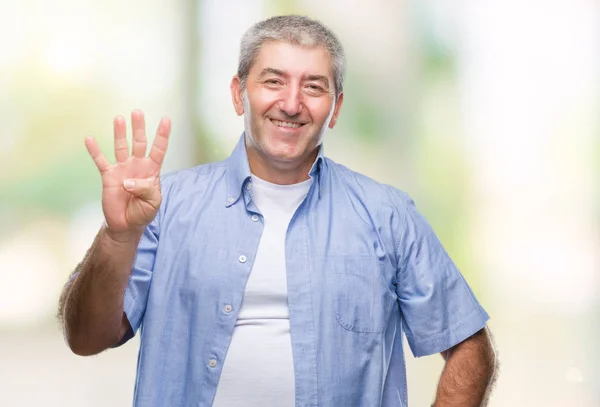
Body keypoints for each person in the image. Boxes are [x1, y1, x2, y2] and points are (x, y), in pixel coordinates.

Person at [58, 15, 497, 407]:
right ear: (238, 94)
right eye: (273, 81)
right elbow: (86, 338)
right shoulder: (165, 206)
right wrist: (119, 236)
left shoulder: (388, 215)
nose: (291, 103)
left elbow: (470, 349)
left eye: (313, 86)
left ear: (336, 107)